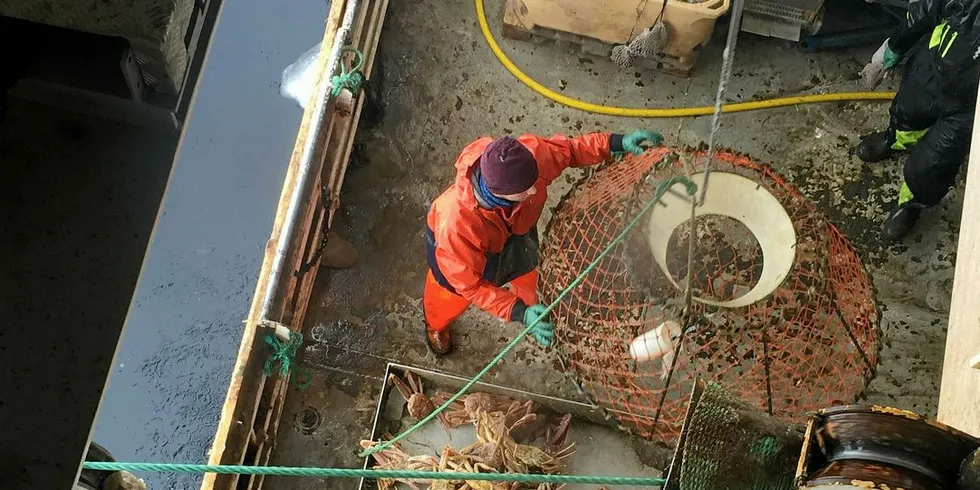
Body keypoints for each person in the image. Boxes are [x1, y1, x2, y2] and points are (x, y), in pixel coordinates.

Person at [423, 130, 662, 355]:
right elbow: (472, 287)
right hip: (460, 263)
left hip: (516, 233)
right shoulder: (455, 226)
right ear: (498, 193)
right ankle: (436, 324)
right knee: (448, 298)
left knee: (528, 278)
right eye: (525, 191)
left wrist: (615, 143)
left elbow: (570, 150)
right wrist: (515, 312)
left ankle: (533, 311)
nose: (534, 192)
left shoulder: (529, 160)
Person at [855, 0, 980, 241]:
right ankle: (895, 138)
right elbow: (927, 9)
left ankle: (911, 202)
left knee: (935, 161)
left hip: (969, 109)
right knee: (908, 109)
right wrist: (895, 46)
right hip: (933, 67)